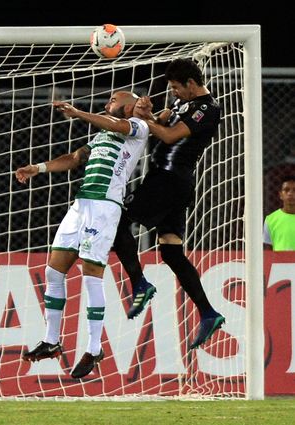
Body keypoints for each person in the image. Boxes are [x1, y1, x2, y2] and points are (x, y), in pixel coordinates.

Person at [15, 91, 150, 379]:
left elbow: (116, 125)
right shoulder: (101, 136)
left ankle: (93, 347)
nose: (106, 104)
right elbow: (75, 158)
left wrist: (78, 113)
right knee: (54, 271)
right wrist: (38, 168)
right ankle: (51, 341)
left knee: (91, 274)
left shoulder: (138, 128)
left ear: (127, 107)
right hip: (81, 204)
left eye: (112, 101)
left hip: (105, 206)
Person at [112, 58, 225, 350]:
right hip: (173, 183)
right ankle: (209, 313)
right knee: (171, 252)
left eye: (176, 87)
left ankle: (139, 284)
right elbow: (162, 121)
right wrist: (150, 113)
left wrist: (152, 121)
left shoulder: (207, 109)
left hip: (168, 179)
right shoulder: (181, 105)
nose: (173, 92)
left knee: (118, 221)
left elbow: (169, 134)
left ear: (191, 83)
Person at [263, 175, 295, 251]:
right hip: (280, 263)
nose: (290, 193)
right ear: (280, 195)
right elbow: (267, 251)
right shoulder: (270, 219)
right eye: (286, 190)